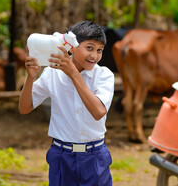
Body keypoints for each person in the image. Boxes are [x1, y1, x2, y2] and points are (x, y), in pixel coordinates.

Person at [19, 21, 114, 186]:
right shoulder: (52, 73)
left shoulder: (104, 75)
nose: (94, 56)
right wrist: (31, 77)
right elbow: (25, 108)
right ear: (72, 47)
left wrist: (73, 74)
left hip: (95, 156)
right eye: (89, 48)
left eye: (100, 50)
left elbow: (98, 112)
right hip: (61, 155)